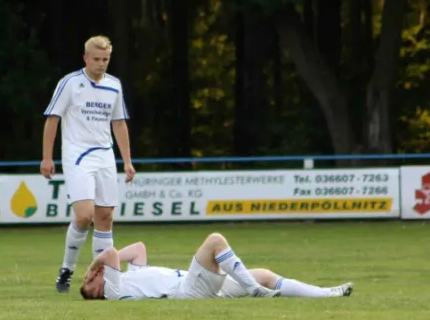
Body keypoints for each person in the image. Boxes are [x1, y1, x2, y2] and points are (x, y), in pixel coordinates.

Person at [40, 35, 135, 293]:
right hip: (77, 155)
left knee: (105, 217)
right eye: (96, 59)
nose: (101, 64)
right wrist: (47, 157)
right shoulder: (70, 83)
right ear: (85, 58)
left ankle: (100, 277)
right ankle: (67, 269)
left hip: (104, 156)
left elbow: (119, 123)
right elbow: (52, 119)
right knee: (84, 215)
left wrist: (127, 160)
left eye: (105, 59)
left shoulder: (114, 85)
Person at [79, 233, 353, 301]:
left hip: (195, 285)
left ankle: (327, 293)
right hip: (187, 291)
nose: (90, 278)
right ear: (94, 290)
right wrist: (94, 266)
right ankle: (253, 290)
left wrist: (98, 268)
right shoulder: (113, 292)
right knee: (215, 241)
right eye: (87, 282)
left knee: (265, 275)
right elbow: (111, 253)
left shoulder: (129, 278)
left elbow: (138, 248)